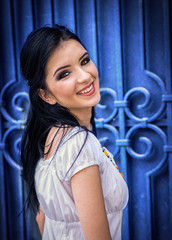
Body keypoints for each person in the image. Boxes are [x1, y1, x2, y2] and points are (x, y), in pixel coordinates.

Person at [20, 25, 128, 240]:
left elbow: (42, 219)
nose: (85, 76)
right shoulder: (79, 144)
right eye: (64, 74)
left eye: (84, 61)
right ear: (46, 95)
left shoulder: (50, 137)